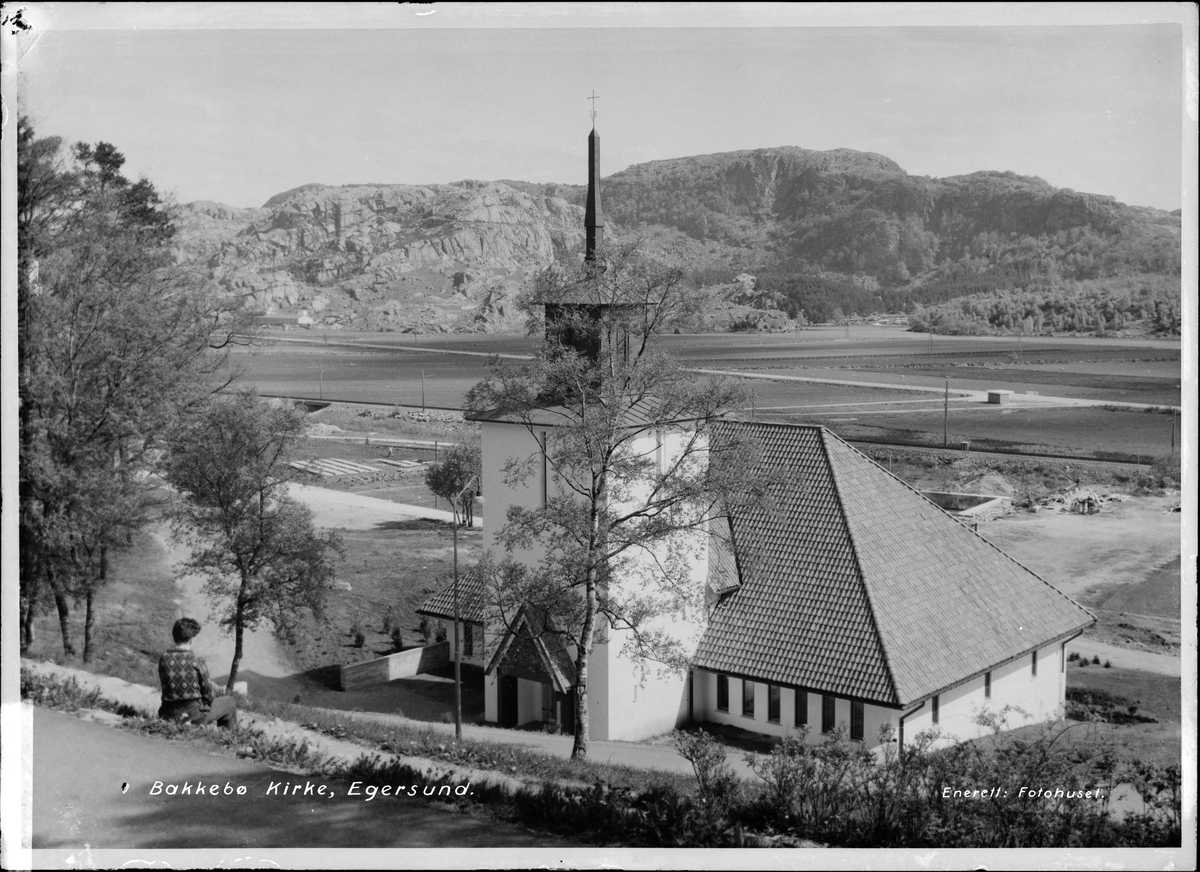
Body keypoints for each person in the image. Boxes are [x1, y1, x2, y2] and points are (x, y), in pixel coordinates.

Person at [158, 617, 237, 729]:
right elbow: (209, 695)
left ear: (174, 637)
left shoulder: (163, 657)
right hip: (192, 716)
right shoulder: (196, 660)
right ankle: (226, 739)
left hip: (167, 714)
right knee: (230, 702)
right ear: (191, 640)